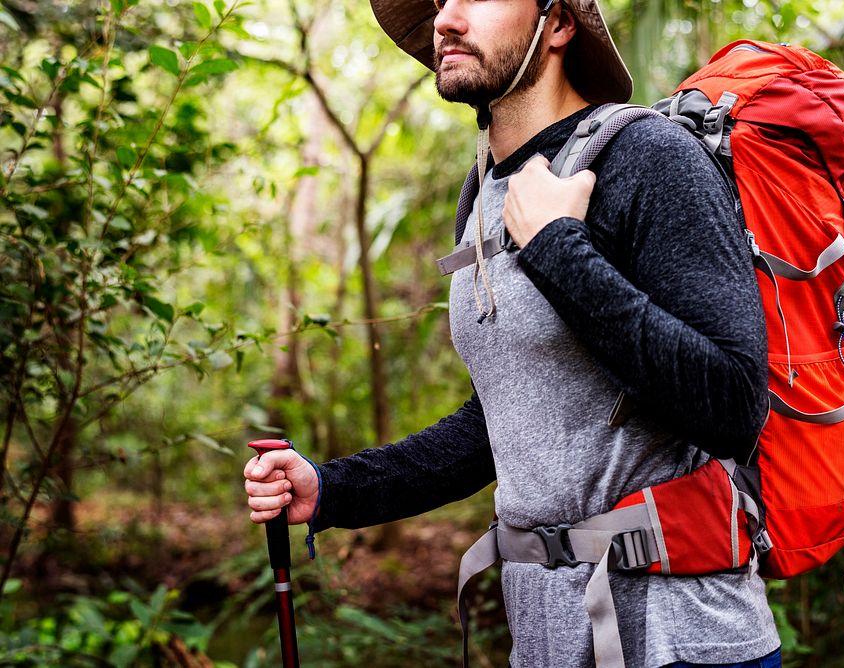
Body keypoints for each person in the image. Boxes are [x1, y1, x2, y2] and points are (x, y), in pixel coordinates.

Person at [244, 0, 782, 665]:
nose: (447, 17)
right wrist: (331, 489)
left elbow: (733, 405)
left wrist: (558, 246)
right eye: (441, 1)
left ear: (557, 25)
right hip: (548, 635)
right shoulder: (481, 197)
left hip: (684, 637)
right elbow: (498, 429)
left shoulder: (646, 158)